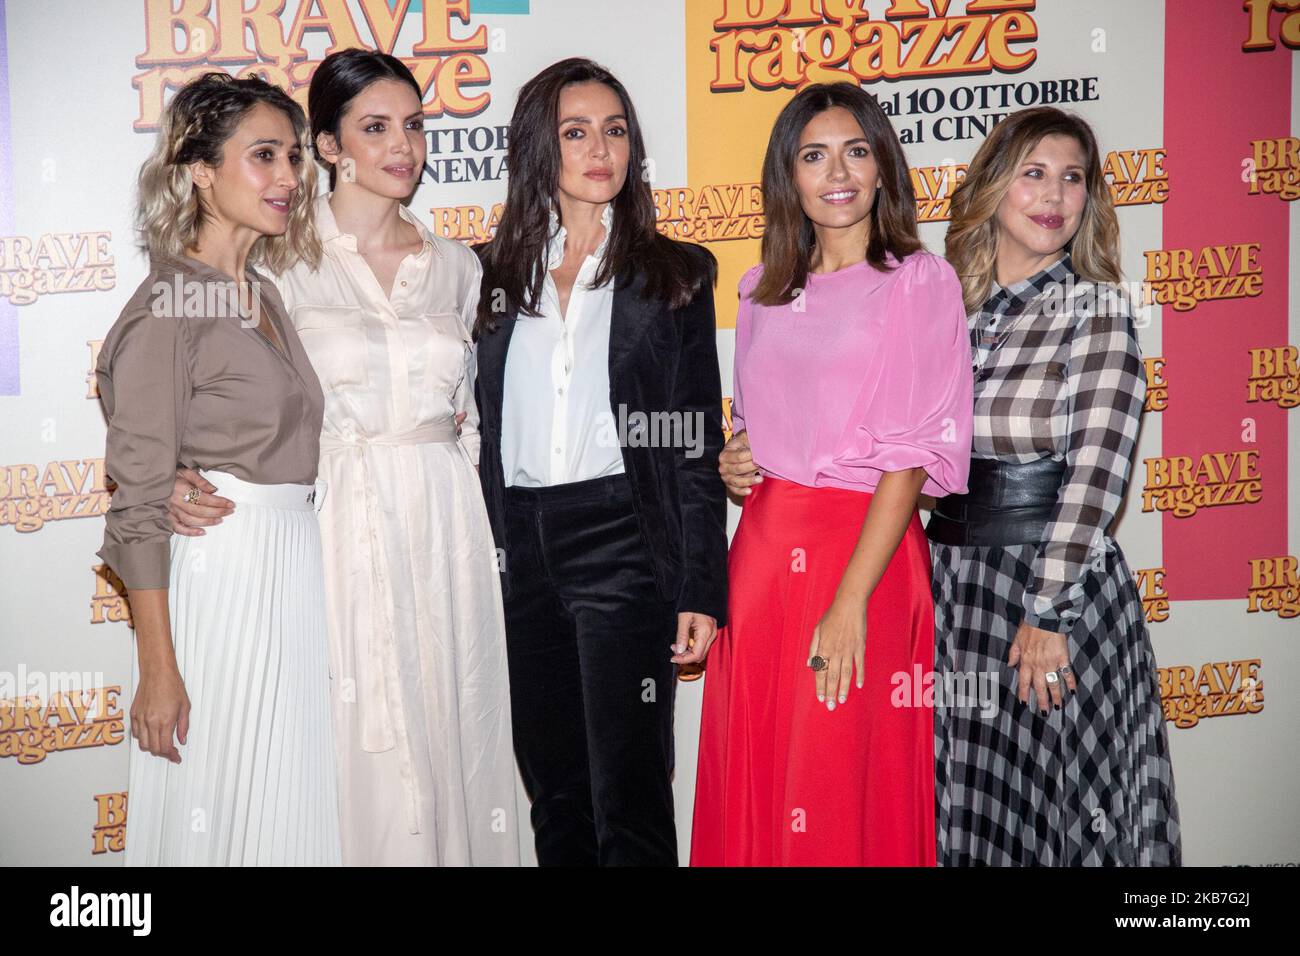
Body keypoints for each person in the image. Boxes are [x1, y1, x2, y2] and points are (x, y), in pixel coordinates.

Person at [165, 50, 519, 866]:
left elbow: (467, 417)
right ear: (326, 145)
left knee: (451, 725)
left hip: (446, 528)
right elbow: (202, 380)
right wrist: (174, 473)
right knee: (356, 749)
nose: (404, 147)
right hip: (333, 532)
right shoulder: (277, 264)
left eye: (415, 127)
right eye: (375, 128)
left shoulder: (459, 269)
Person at [694, 82, 972, 866]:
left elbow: (913, 456)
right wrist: (734, 457)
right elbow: (755, 426)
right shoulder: (760, 289)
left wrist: (850, 600)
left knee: (842, 772)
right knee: (764, 767)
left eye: (856, 149)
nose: (837, 171)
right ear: (790, 177)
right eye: (813, 155)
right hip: (763, 556)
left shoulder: (920, 282)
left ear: (883, 165)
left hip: (867, 558)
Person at [473, 57, 727, 866]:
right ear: (537, 149)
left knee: (632, 796)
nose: (600, 149)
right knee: (556, 794)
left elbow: (693, 443)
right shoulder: (483, 276)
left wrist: (698, 586)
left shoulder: (674, 272)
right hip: (515, 545)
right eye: (575, 131)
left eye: (615, 131)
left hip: (622, 540)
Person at [97, 73, 340, 865]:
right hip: (225, 580)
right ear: (200, 169)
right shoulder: (171, 300)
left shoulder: (264, 293)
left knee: (284, 813)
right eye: (263, 156)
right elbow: (134, 502)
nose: (289, 178)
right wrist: (158, 671)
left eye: (295, 158)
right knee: (224, 806)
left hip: (291, 576)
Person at [929, 107, 1180, 865]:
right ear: (993, 188)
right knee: (974, 803)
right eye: (1033, 172)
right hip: (952, 589)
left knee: (1060, 800)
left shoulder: (1096, 311)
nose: (1054, 195)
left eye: (1073, 177)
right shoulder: (947, 311)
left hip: (1045, 589)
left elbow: (1097, 472)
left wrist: (1048, 611)